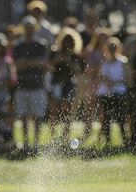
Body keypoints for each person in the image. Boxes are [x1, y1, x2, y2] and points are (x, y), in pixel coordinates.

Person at [13, 15, 48, 150]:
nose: (29, 30)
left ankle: (36, 143)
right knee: (23, 117)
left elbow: (43, 63)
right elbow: (17, 65)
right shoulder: (18, 46)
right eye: (27, 28)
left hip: (37, 86)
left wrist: (27, 62)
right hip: (22, 86)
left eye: (31, 28)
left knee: (37, 116)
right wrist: (33, 63)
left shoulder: (41, 45)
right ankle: (27, 144)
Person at [49, 27, 83, 143]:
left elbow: (78, 71)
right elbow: (48, 66)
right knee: (54, 108)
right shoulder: (54, 52)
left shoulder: (75, 56)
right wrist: (58, 60)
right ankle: (53, 136)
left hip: (69, 83)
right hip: (57, 82)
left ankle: (65, 135)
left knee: (67, 109)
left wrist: (68, 61)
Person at [97, 37, 131, 145]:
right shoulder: (105, 63)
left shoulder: (123, 61)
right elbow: (101, 77)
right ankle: (107, 140)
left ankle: (124, 139)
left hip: (119, 92)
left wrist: (115, 82)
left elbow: (128, 79)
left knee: (121, 117)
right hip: (106, 93)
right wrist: (106, 81)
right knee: (106, 117)